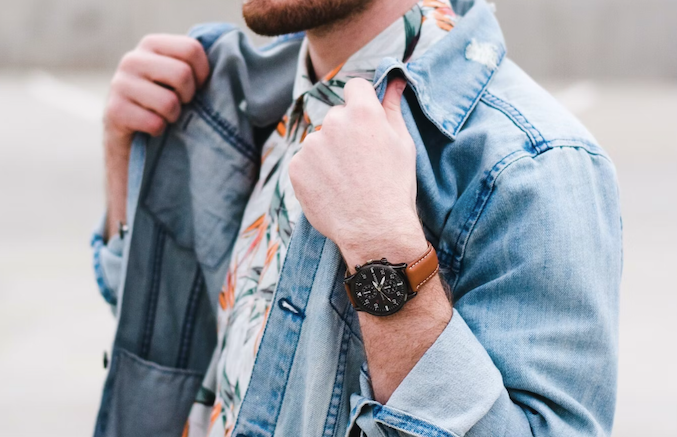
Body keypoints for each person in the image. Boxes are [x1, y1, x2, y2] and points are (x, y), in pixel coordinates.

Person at [90, 0, 622, 435]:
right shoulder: (239, 97)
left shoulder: (536, 162)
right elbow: (178, 328)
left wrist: (382, 250)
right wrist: (126, 163)